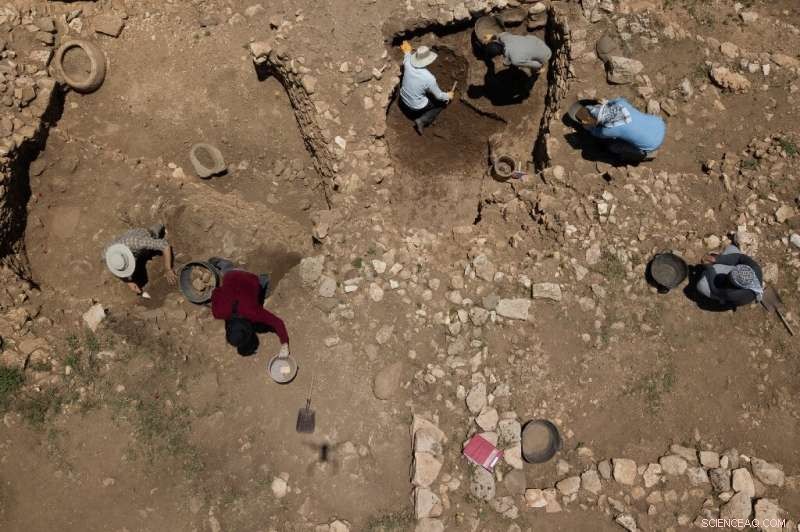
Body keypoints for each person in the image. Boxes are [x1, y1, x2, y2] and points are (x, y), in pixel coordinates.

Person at [209, 258, 290, 358]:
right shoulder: (218, 312)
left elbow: (278, 323)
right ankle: (222, 264)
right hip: (232, 274)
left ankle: (263, 280)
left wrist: (284, 345)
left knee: (259, 295)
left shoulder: (253, 312)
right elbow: (215, 292)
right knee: (228, 272)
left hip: (249, 278)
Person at [569, 97, 666, 162]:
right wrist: (607, 102)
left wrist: (588, 128)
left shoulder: (607, 130)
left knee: (613, 147)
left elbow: (595, 133)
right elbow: (618, 99)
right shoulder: (621, 104)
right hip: (659, 124)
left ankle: (641, 155)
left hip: (652, 144)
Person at [104, 223, 176, 297]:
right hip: (130, 243)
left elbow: (165, 246)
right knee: (143, 256)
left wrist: (168, 268)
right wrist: (128, 282)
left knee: (155, 231)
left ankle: (162, 224)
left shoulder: (138, 242)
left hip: (143, 235)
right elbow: (116, 270)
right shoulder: (109, 255)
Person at [399, 41, 454, 135]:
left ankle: (414, 113)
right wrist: (448, 95)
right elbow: (439, 96)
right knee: (440, 103)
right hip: (415, 106)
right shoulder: (429, 78)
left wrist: (407, 50)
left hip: (402, 97)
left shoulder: (408, 63)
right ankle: (422, 120)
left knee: (425, 92)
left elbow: (407, 55)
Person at [696, 244, 764, 308]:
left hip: (725, 294)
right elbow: (739, 257)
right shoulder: (755, 268)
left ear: (737, 286)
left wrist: (709, 268)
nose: (728, 274)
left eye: (730, 277)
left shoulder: (733, 294)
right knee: (732, 248)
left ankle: (722, 300)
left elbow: (714, 289)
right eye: (731, 273)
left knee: (701, 285)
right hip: (733, 288)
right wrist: (717, 259)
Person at [481, 32, 552, 73]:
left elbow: (536, 64)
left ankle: (540, 69)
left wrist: (539, 68)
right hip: (538, 42)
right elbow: (498, 36)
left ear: (498, 55)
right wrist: (491, 36)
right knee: (525, 41)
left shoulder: (516, 60)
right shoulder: (505, 37)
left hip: (546, 54)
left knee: (534, 66)